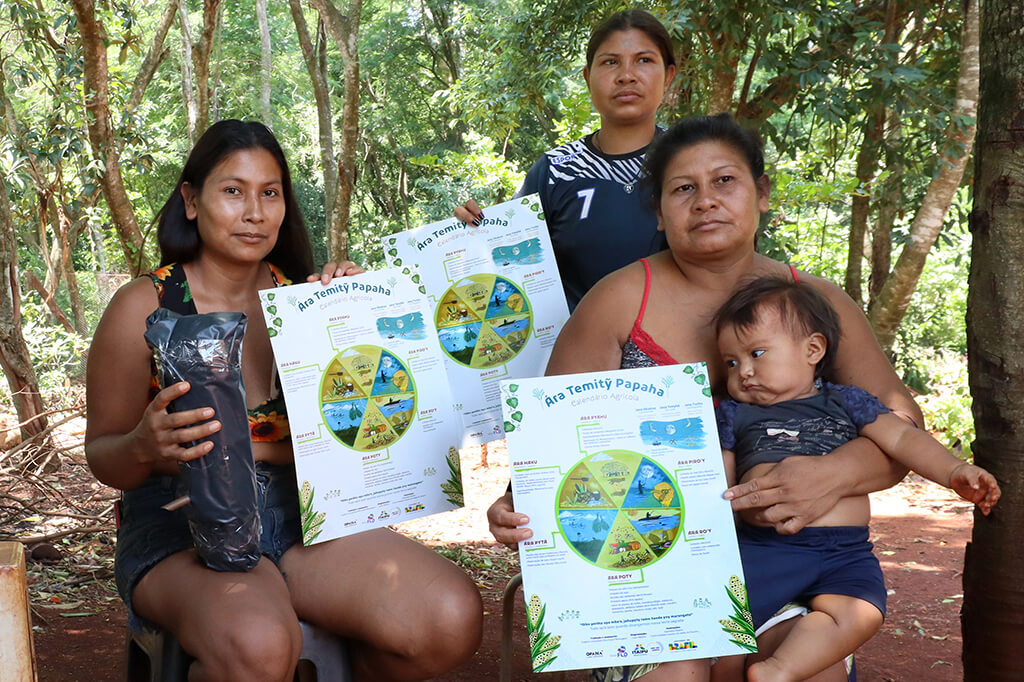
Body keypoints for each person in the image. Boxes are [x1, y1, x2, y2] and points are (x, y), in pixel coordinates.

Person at [487, 114, 925, 682]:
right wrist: (514, 501)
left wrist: (835, 473)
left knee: (807, 669)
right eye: (683, 188)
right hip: (647, 569)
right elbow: (551, 437)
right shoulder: (617, 301)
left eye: (725, 181)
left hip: (795, 565)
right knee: (676, 675)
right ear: (659, 209)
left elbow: (902, 421)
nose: (705, 201)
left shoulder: (815, 303)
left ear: (761, 194)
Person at [85, 120, 482, 682]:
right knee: (258, 644)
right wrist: (143, 445)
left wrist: (358, 310)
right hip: (181, 523)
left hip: (304, 517)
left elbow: (372, 426)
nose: (254, 211)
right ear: (191, 200)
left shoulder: (311, 304)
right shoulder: (143, 307)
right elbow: (103, 456)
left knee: (448, 617)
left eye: (270, 193)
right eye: (233, 190)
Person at [713, 276, 1000, 681]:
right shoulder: (735, 414)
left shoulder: (846, 401)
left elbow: (902, 436)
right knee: (726, 631)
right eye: (731, 362)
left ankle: (779, 670)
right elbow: (719, 484)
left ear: (813, 349)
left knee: (863, 611)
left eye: (757, 353)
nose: (743, 371)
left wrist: (954, 471)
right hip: (765, 551)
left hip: (845, 552)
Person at [455, 8, 677, 310]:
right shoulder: (555, 171)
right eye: (610, 62)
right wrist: (469, 238)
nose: (627, 76)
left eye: (644, 60)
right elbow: (504, 266)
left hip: (683, 353)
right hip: (579, 353)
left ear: (669, 75)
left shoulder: (691, 159)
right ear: (588, 77)